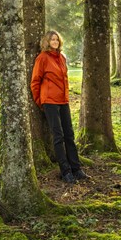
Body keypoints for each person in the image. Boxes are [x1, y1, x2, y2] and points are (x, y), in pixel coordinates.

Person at [31, 30, 89, 184]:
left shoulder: (62, 58)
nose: (55, 42)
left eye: (57, 39)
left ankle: (76, 169)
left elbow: (65, 80)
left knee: (69, 134)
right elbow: (35, 82)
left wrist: (66, 97)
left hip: (63, 101)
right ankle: (66, 171)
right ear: (47, 42)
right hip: (49, 102)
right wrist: (40, 101)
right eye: (52, 39)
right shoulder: (42, 58)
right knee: (58, 136)